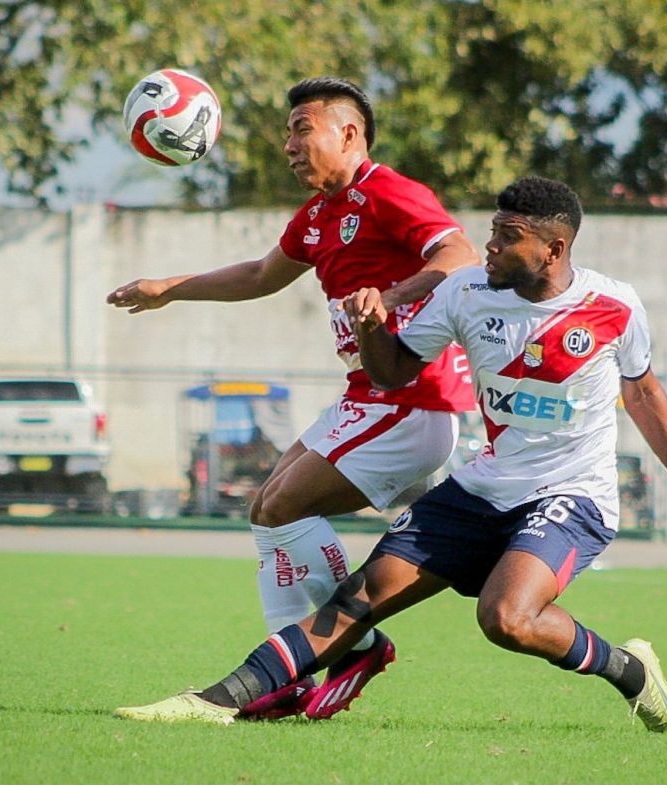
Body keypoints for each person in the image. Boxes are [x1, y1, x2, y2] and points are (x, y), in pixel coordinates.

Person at [113, 175, 667, 732]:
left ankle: (629, 671)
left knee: (505, 617)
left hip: (572, 494)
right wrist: (373, 327)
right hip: (480, 489)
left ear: (554, 249)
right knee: (354, 602)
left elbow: (642, 394)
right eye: (493, 233)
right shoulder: (466, 293)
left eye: (509, 237)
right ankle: (214, 703)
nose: (492, 247)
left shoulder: (613, 305)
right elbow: (391, 373)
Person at [106, 76, 481, 719]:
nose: (289, 144)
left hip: (414, 400)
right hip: (367, 399)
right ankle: (323, 657)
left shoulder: (389, 193)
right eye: (288, 131)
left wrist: (389, 298)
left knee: (279, 505)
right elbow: (258, 275)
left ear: (348, 133)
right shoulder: (317, 217)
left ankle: (341, 649)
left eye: (301, 128)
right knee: (266, 508)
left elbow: (460, 251)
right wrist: (169, 286)